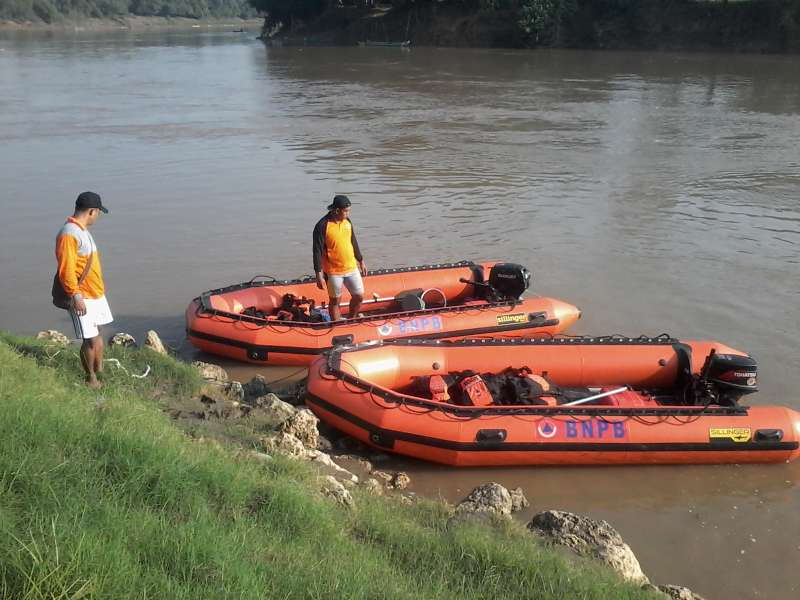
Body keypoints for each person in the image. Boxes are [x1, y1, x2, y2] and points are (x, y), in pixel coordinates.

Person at [55, 191, 112, 388]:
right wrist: (76, 296)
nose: (98, 217)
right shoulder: (69, 234)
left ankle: (100, 372)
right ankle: (92, 379)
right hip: (83, 296)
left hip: (95, 293)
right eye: (98, 213)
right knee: (89, 340)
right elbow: (66, 270)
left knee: (98, 334)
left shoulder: (82, 230)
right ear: (92, 211)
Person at [312, 195, 367, 321]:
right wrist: (318, 274)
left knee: (359, 296)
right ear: (336, 210)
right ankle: (337, 326)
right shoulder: (322, 225)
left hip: (351, 268)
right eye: (346, 211)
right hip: (333, 272)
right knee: (335, 300)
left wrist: (361, 260)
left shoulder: (347, 222)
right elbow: (317, 251)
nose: (348, 213)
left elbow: (353, 241)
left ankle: (351, 319)